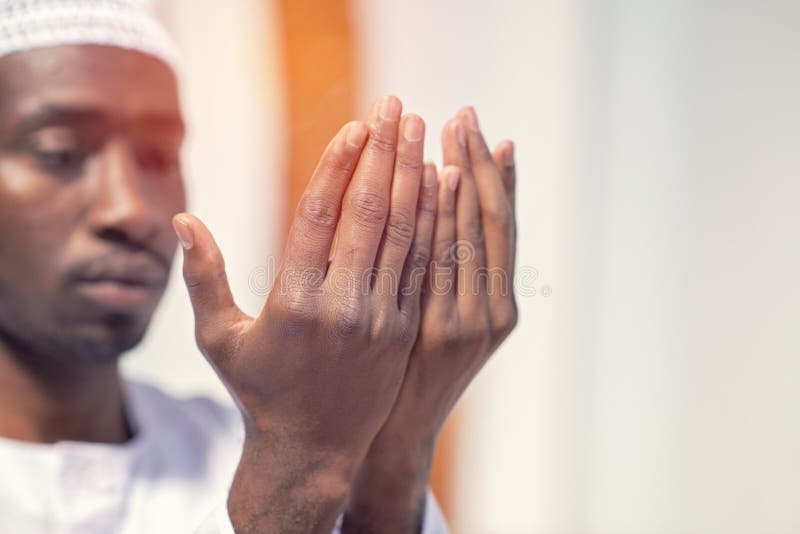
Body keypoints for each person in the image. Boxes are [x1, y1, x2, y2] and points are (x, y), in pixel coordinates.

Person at [0, 1, 518, 532]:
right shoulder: (284, 450)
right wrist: (299, 467)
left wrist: (393, 452)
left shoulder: (230, 447)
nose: (130, 208)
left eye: (158, 157)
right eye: (58, 152)